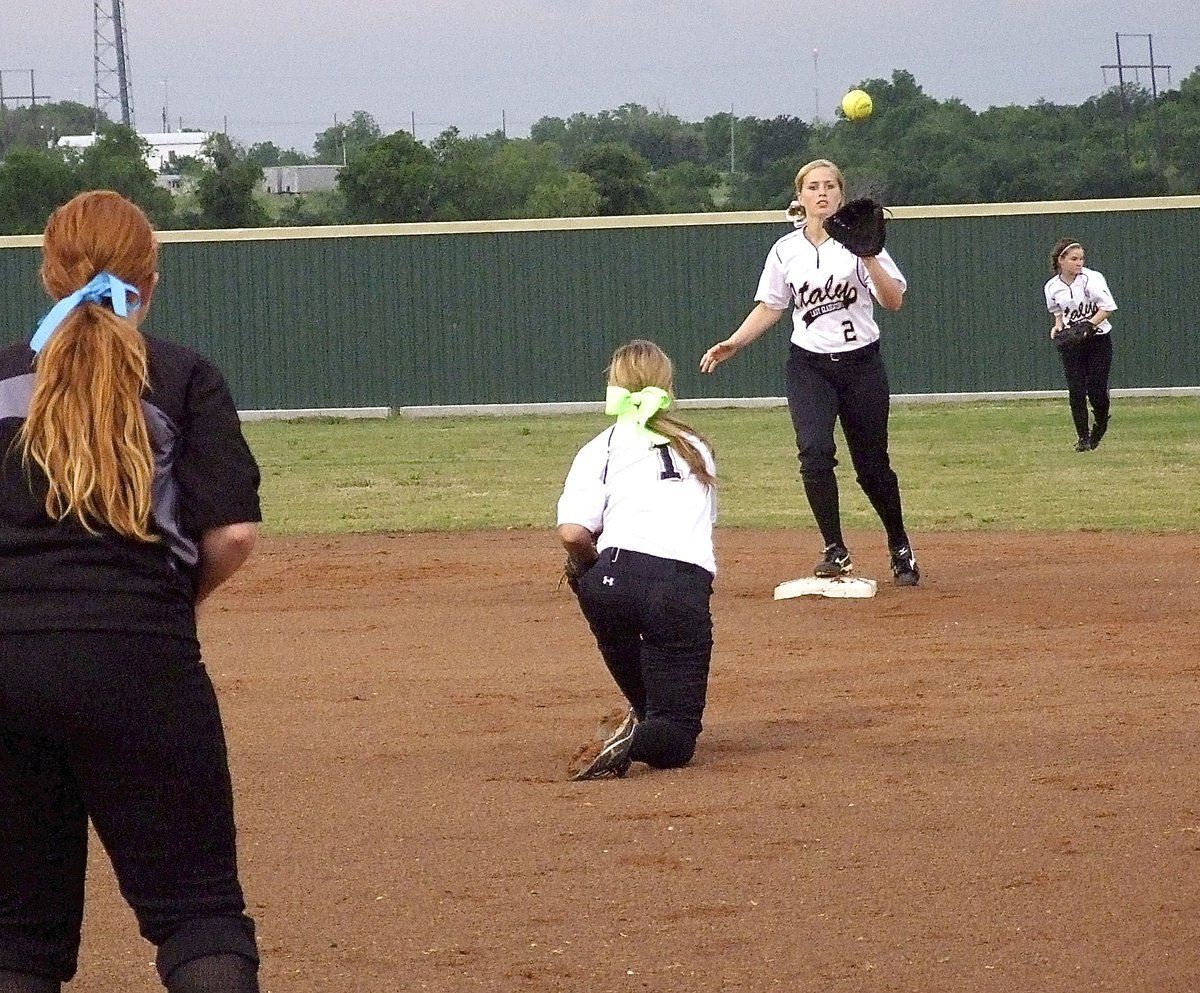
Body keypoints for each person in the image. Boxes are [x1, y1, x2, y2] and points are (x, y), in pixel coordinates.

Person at [0, 191, 263, 993]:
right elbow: (233, 535)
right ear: (149, 279)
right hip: (141, 656)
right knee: (197, 912)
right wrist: (166, 606)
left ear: (49, 276)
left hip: (7, 661)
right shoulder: (183, 376)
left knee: (17, 935)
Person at [699, 158, 919, 586]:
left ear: (841, 194)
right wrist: (733, 343)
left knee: (872, 465)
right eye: (813, 187)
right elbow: (771, 306)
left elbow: (893, 301)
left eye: (830, 186)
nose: (822, 193)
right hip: (810, 366)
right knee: (815, 453)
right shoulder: (785, 249)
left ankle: (899, 545)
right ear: (799, 198)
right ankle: (835, 549)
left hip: (862, 364)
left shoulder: (860, 245)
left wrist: (869, 255)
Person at [558, 340, 717, 780]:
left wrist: (591, 572)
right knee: (676, 740)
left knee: (650, 707)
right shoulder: (695, 448)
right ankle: (632, 740)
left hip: (611, 584)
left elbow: (573, 534)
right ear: (668, 386)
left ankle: (639, 725)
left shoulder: (600, 447)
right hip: (678, 586)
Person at [1045, 239, 1118, 451]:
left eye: (1081, 258)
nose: (1079, 263)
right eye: (1074, 259)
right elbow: (1057, 310)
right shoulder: (1052, 286)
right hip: (1073, 341)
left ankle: (1101, 423)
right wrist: (1058, 325)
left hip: (1098, 339)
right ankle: (1083, 439)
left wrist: (1089, 325)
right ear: (1061, 260)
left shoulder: (1091, 278)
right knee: (1076, 391)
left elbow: (1107, 308)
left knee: (1096, 390)